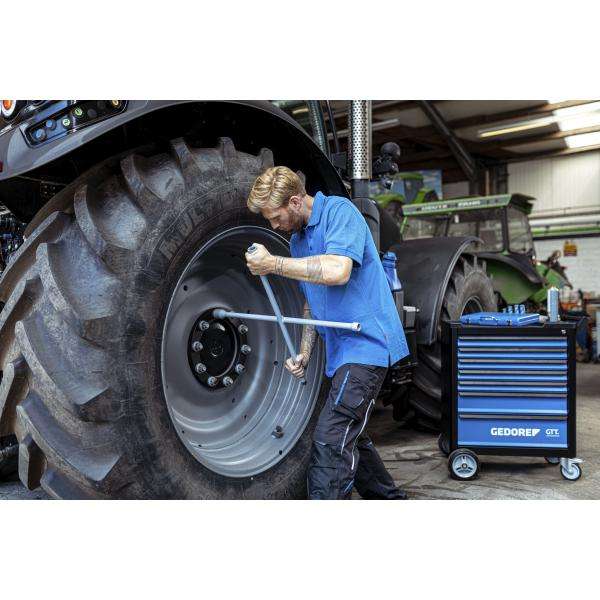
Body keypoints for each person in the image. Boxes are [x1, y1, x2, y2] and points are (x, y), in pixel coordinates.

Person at [245, 166, 409, 500]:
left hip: (367, 345)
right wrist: (305, 353)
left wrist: (272, 264)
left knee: (331, 438)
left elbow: (337, 271)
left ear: (295, 202)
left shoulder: (339, 212)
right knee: (351, 434)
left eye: (275, 217)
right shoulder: (298, 240)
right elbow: (312, 302)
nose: (273, 226)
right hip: (340, 352)